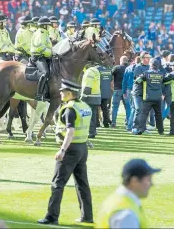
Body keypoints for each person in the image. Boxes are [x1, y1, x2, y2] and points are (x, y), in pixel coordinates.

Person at [38, 79, 93, 225]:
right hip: (82, 148)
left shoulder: (70, 109)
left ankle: (51, 217)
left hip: (70, 149)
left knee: (57, 183)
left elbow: (70, 132)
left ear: (69, 93)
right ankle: (87, 216)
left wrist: (62, 150)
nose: (60, 94)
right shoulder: (84, 106)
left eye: (63, 92)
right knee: (82, 183)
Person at [96, 159, 161, 228]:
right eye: (148, 180)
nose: (151, 184)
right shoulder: (126, 215)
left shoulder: (115, 200)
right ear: (134, 181)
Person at [134, 58, 165, 135]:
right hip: (158, 97)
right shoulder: (161, 74)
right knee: (158, 114)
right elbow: (165, 81)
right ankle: (160, 131)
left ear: (151, 65)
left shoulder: (146, 73)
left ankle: (141, 129)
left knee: (144, 113)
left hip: (148, 97)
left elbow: (137, 81)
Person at [30, 17, 53, 101]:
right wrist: (51, 53)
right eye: (48, 25)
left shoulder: (44, 33)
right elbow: (40, 47)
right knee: (45, 72)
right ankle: (39, 94)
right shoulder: (40, 33)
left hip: (44, 56)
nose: (49, 27)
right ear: (44, 26)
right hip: (38, 57)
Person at [131, 52, 151, 133]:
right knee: (138, 109)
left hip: (146, 92)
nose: (149, 59)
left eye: (149, 57)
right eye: (147, 57)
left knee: (145, 111)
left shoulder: (150, 67)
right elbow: (137, 80)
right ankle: (134, 127)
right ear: (142, 58)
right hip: (138, 92)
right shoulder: (138, 67)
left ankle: (143, 128)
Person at [81, 63, 101, 138]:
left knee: (88, 116)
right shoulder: (96, 70)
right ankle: (93, 131)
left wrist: (82, 98)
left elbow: (87, 88)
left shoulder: (89, 72)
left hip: (90, 97)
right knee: (93, 116)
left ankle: (90, 132)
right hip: (96, 96)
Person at [122, 56, 141, 132]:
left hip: (128, 90)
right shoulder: (140, 69)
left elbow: (124, 81)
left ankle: (129, 124)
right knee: (135, 109)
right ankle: (131, 125)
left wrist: (123, 91)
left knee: (131, 108)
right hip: (136, 90)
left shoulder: (128, 68)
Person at [111, 56, 130, 128]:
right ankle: (128, 123)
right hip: (126, 90)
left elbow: (111, 75)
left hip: (117, 89)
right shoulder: (129, 68)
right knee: (128, 107)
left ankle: (113, 122)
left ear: (120, 61)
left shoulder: (116, 68)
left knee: (115, 107)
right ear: (127, 61)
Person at [97, 64, 113, 128]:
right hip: (106, 92)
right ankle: (106, 123)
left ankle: (97, 123)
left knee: (96, 108)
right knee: (105, 109)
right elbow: (111, 82)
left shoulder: (97, 69)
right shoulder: (109, 70)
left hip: (98, 91)